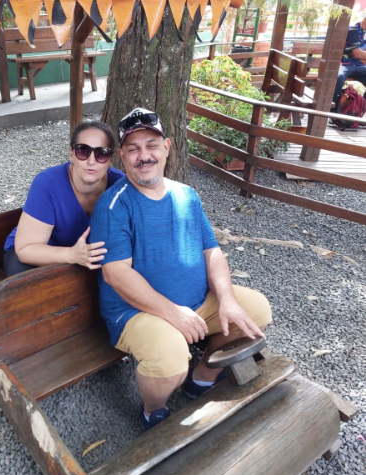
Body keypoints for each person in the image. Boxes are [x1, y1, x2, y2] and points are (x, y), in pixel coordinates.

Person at [89, 108, 272, 431]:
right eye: (133, 149)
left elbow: (211, 251)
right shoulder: (114, 205)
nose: (144, 156)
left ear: (167, 147)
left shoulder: (187, 195)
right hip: (135, 313)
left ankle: (202, 378)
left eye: (151, 145)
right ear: (122, 156)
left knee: (256, 310)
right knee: (169, 361)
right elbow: (115, 274)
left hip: (196, 302)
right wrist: (173, 313)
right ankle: (153, 410)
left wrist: (227, 299)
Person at [3, 121, 125, 277]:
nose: (91, 161)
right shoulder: (47, 183)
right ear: (71, 154)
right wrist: (72, 255)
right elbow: (25, 249)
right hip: (36, 253)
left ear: (110, 160)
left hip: (84, 255)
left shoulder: (120, 186)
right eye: (83, 151)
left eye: (101, 153)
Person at [333, 16, 366, 111]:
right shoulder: (353, 30)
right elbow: (357, 54)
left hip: (358, 65)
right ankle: (333, 111)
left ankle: (361, 109)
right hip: (344, 64)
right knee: (338, 77)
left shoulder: (364, 33)